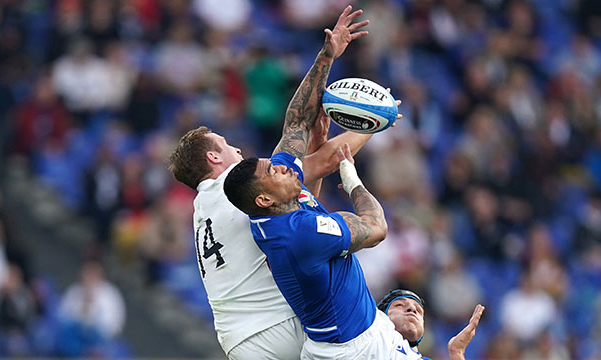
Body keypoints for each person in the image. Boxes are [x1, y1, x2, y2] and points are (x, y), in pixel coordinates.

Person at [168, 6, 377, 359]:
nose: (236, 148)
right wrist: (373, 121)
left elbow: (303, 195)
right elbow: (317, 146)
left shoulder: (204, 208)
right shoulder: (239, 188)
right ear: (212, 159)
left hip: (238, 339)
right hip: (274, 324)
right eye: (225, 145)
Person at [224, 137, 413, 360]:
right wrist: (353, 183)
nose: (284, 168)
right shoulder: (300, 234)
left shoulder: (274, 208)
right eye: (273, 171)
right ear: (264, 199)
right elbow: (377, 229)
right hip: (352, 350)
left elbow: (296, 126)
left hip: (367, 329)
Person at [377, 289, 485, 360]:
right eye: (399, 305)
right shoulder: (370, 342)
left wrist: (457, 352)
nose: (412, 309)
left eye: (418, 311)